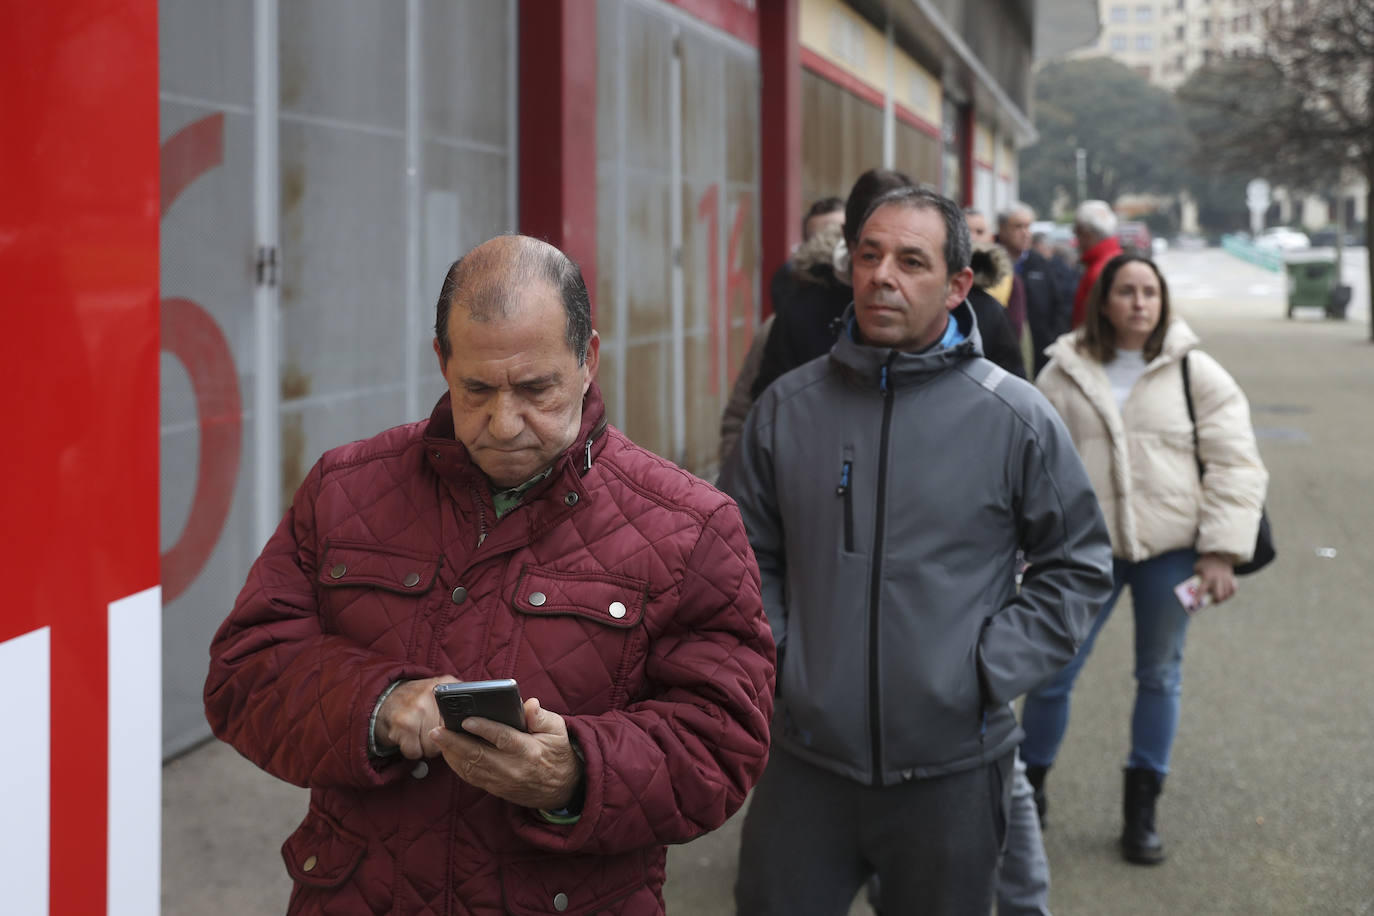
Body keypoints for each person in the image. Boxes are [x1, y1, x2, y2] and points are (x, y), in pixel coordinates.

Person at [203, 235, 776, 915]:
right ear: (442, 360)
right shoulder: (344, 489)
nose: (504, 424)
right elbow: (245, 675)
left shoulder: (689, 526)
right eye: (476, 389)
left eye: (536, 389)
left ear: (587, 359)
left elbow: (723, 742)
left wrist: (579, 772)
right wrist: (380, 706)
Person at [722, 185, 1114, 914]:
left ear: (958, 284)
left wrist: (983, 670)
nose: (882, 276)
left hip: (954, 772)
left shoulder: (1014, 417)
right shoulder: (788, 409)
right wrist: (783, 659)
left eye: (910, 260)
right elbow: (742, 554)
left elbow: (1078, 564)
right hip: (806, 765)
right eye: (868, 256)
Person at [1021, 253, 1268, 865]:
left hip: (1172, 552)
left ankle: (1142, 807)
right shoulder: (1063, 371)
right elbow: (1030, 466)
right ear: (1103, 300)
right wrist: (1025, 550)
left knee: (1160, 675)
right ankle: (1027, 794)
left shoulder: (1196, 372)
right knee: (1052, 672)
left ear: (1163, 302)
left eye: (1150, 292)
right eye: (1126, 291)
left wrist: (1219, 552)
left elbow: (1237, 463)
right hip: (1085, 555)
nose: (1139, 303)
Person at [722, 199, 846, 465]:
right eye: (820, 237)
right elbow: (742, 414)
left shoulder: (875, 323)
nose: (831, 243)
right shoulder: (779, 326)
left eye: (839, 233)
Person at [999, 203, 1068, 377]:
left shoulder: (1040, 263)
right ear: (1002, 229)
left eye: (1028, 226)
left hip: (1039, 357)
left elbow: (1058, 305)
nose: (1025, 233)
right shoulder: (990, 263)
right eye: (1018, 227)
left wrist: (1052, 343)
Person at [1069, 199, 1123, 329]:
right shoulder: (1118, 260)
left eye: (1077, 234)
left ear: (1087, 234)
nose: (1076, 242)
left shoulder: (1099, 271)